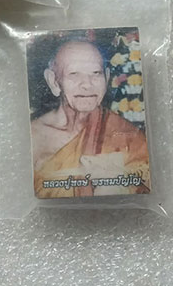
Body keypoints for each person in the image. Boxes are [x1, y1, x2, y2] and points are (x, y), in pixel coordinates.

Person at [31, 40, 150, 198]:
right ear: (53, 81)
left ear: (107, 77)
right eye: (74, 74)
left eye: (96, 73)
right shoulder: (33, 135)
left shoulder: (128, 137)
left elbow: (147, 189)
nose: (87, 85)